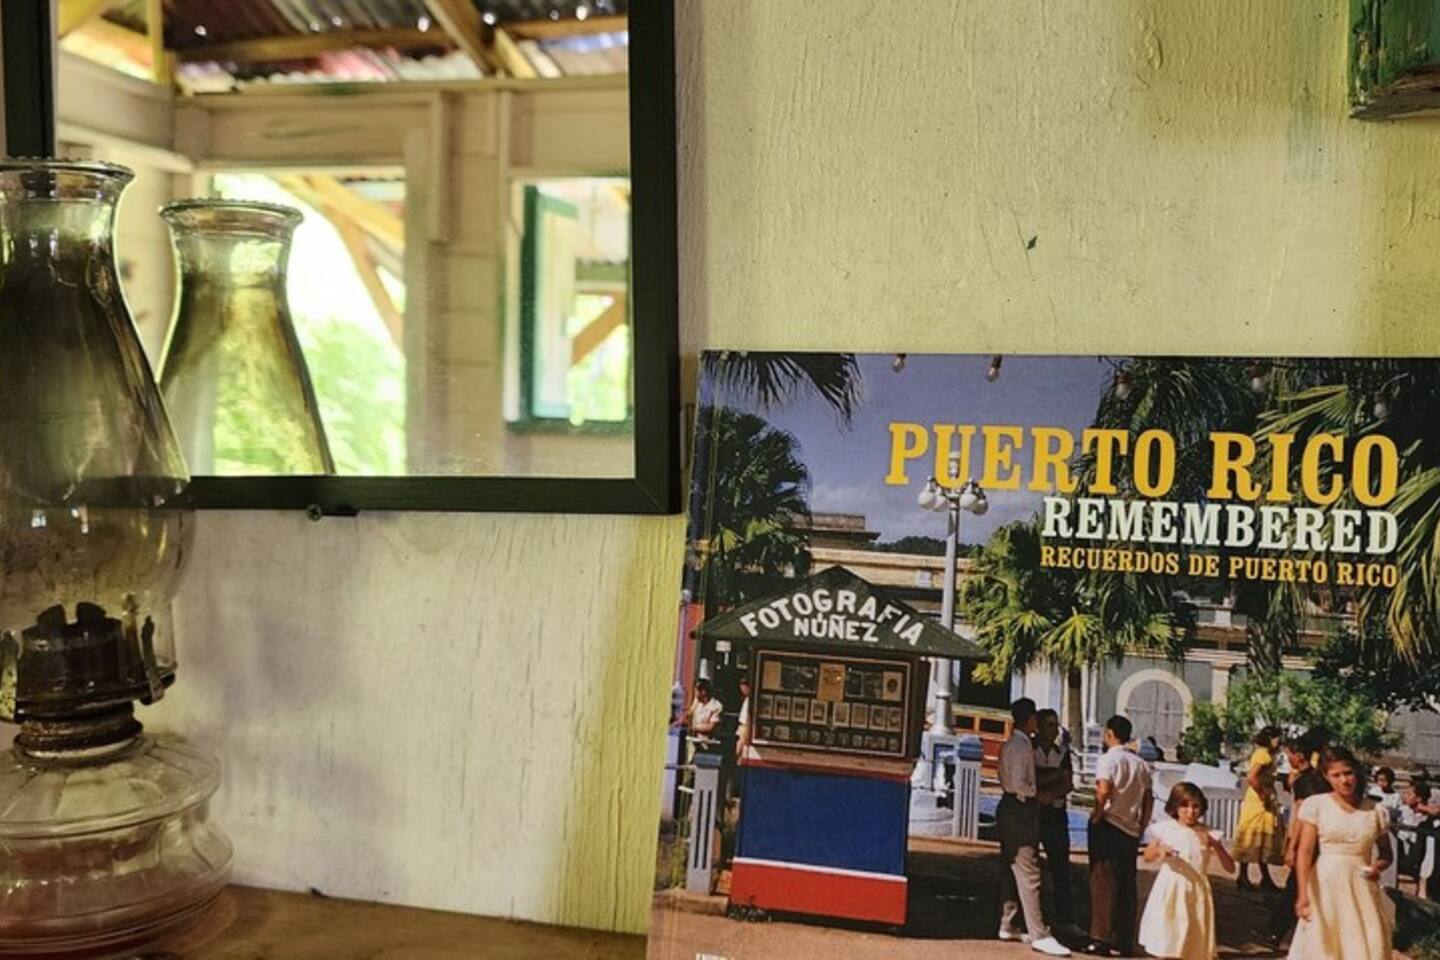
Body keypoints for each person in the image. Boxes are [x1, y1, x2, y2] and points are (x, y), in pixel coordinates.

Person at [1289, 746, 1395, 960]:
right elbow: (1305, 852)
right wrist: (1302, 895)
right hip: (1325, 885)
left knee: (1360, 945)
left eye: (1348, 773)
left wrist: (1377, 867)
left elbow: (1386, 854)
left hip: (1361, 887)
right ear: (1326, 777)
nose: (1344, 780)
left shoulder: (1375, 810)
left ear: (1356, 772)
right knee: (1324, 944)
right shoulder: (1317, 805)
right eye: (1336, 775)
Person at [997, 698, 1072, 957]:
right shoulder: (1021, 747)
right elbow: (1020, 783)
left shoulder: (1012, 744)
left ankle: (1008, 922)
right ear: (1030, 720)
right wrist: (1038, 795)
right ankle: (1040, 933)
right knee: (1030, 872)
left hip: (1010, 806)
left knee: (1011, 867)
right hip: (1021, 807)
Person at [1138, 782, 1236, 960]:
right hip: (1172, 890)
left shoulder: (1208, 833)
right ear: (1175, 806)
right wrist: (1160, 850)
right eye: (1184, 806)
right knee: (1168, 939)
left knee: (1191, 942)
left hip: (1196, 892)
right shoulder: (1166, 829)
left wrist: (1217, 846)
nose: (1190, 812)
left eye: (1195, 806)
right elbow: (1147, 856)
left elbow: (1230, 868)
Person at [1086, 714, 1153, 958]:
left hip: (1110, 823)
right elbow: (1148, 799)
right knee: (1126, 883)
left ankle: (1100, 937)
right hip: (1130, 828)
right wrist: (1141, 825)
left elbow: (1103, 789)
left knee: (1103, 882)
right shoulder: (1141, 764)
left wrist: (1096, 814)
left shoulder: (1108, 760)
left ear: (1110, 734)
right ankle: (1123, 938)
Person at [1266, 733, 1331, 950]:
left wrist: (1292, 846)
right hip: (1320, 839)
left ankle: (1276, 931)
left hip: (1307, 840)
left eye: (1289, 755)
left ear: (1299, 755)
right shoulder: (1319, 779)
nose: (1288, 760)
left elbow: (1301, 817)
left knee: (1294, 887)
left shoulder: (1305, 782)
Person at [1034, 708, 1078, 936]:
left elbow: (1067, 782)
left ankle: (1064, 917)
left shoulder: (1062, 753)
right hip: (1033, 813)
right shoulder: (1029, 749)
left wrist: (1050, 791)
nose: (1053, 730)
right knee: (1030, 867)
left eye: (1055, 725)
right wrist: (1054, 776)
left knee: (1060, 867)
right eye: (1049, 725)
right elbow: (1031, 778)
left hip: (1056, 814)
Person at [1234, 726, 1284, 892]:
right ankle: (1244, 876)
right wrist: (1263, 795)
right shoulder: (1262, 755)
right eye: (1277, 737)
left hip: (1263, 798)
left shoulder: (1267, 754)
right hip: (1259, 801)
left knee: (1260, 840)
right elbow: (1252, 777)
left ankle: (1263, 878)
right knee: (1252, 837)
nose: (1279, 741)